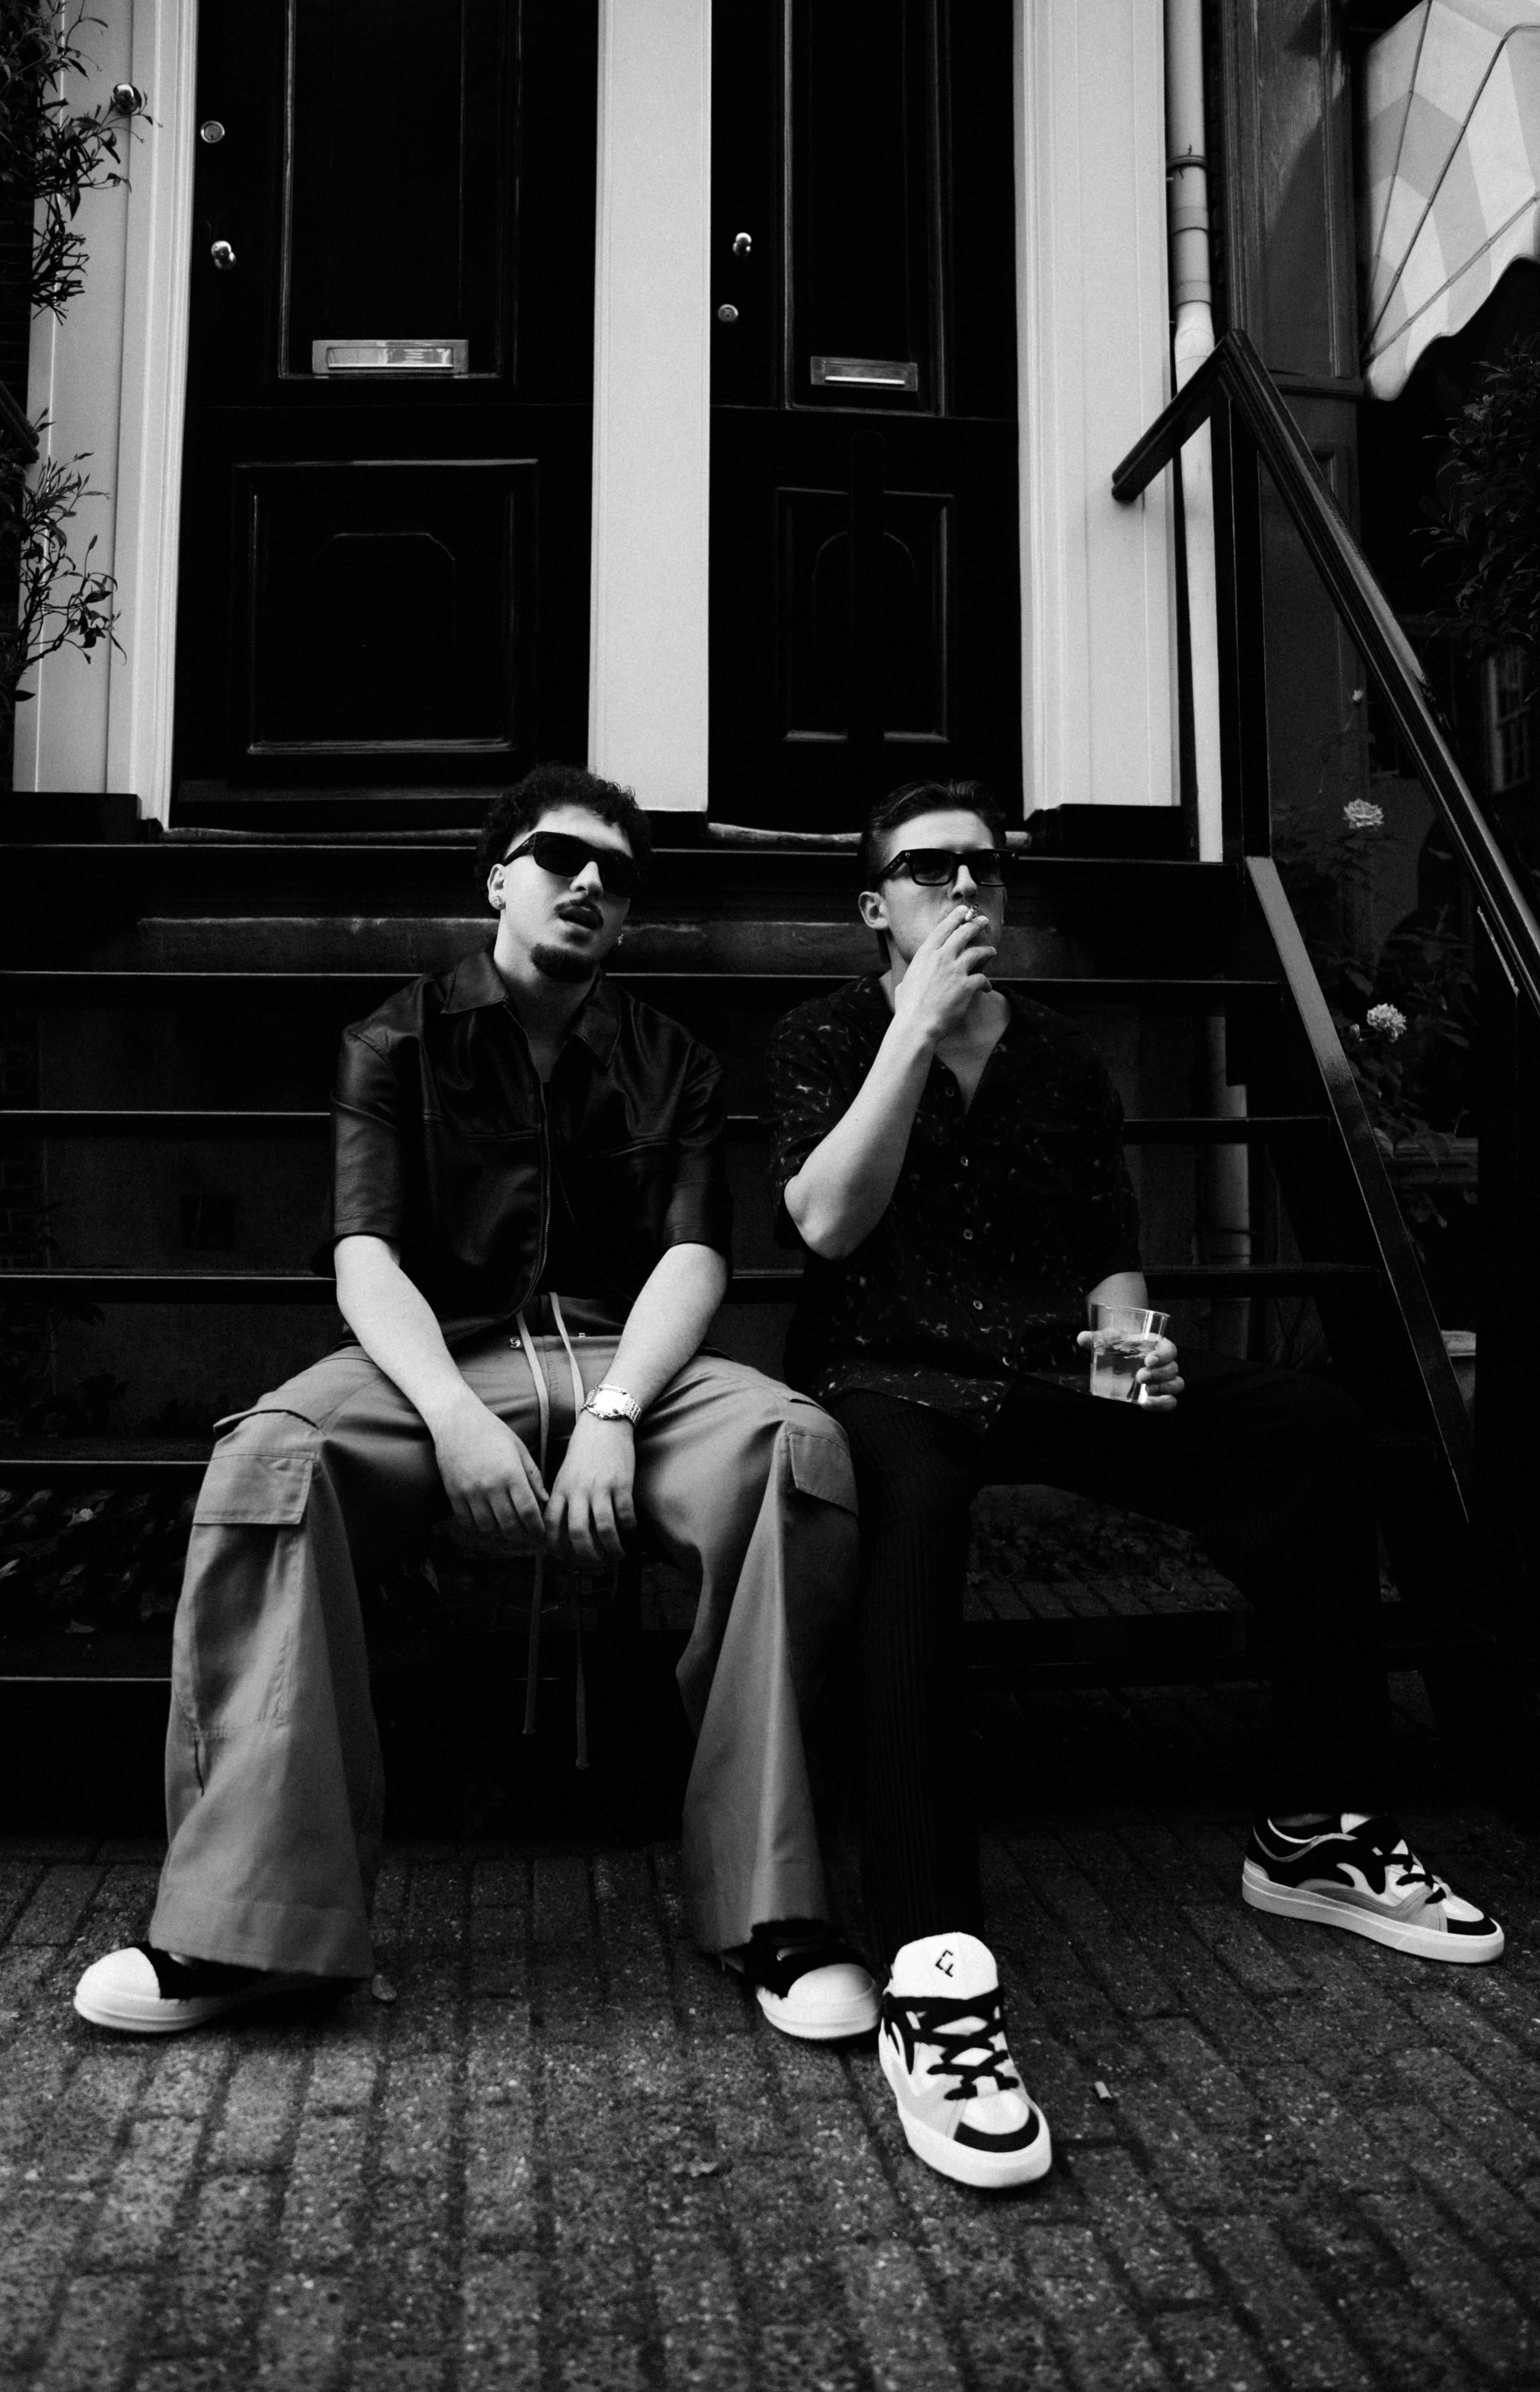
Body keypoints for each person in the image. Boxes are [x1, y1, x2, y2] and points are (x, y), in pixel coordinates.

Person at [766, 776, 1504, 2194]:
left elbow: (1109, 1250)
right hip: (893, 1375)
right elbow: (826, 1224)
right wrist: (913, 1032)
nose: (967, 887)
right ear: (876, 907)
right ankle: (930, 1957)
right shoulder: (824, 1037)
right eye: (930, 869)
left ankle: (1315, 1826)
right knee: (912, 1514)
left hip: (1054, 1368)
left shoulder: (1058, 1054)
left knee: (1307, 1421)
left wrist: (1135, 1362)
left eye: (986, 867)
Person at [76, 764, 876, 2044]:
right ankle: (246, 1927)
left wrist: (614, 1415)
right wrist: (454, 1419)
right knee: (272, 1461)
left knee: (797, 1452)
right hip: (436, 1361)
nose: (591, 883)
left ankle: (780, 1912)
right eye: (562, 857)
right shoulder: (391, 1042)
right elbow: (365, 1256)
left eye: (619, 875)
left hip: (631, 1365)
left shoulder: (670, 1057)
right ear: (499, 879)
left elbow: (693, 1259)